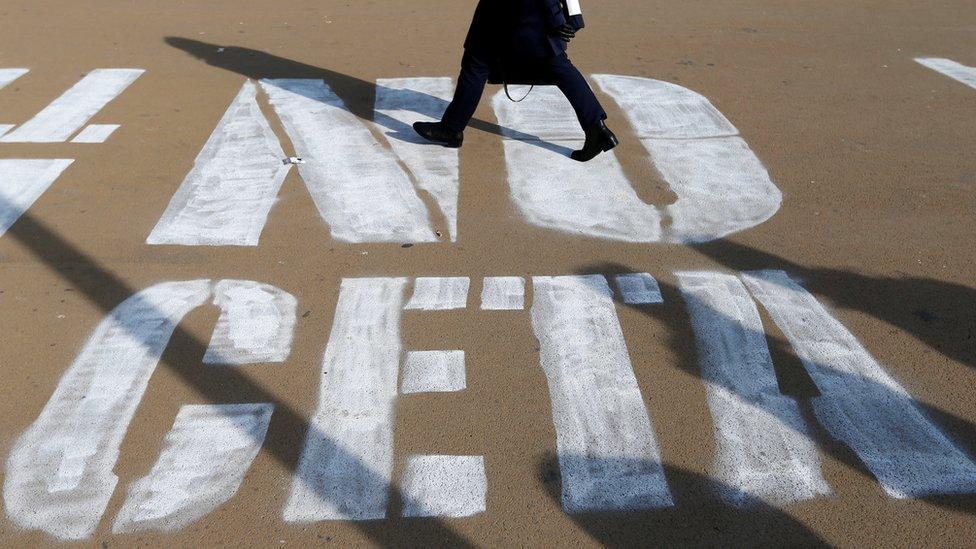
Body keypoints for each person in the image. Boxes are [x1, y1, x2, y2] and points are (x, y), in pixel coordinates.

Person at [413, 0, 618, 162]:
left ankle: (451, 129)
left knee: (477, 61)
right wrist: (573, 15)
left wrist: (558, 19)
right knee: (556, 64)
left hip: (516, 9)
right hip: (534, 12)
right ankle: (595, 128)